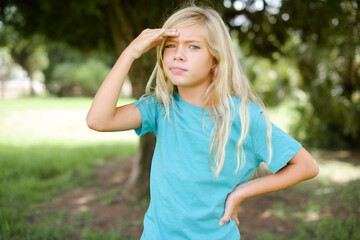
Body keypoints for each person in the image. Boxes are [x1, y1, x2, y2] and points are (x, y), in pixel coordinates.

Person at [86, 5, 319, 240]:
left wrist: (240, 193)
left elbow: (306, 166)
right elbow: (98, 120)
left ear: (215, 60)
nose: (178, 54)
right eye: (170, 46)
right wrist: (130, 53)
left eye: (193, 47)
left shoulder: (244, 116)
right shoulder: (160, 108)